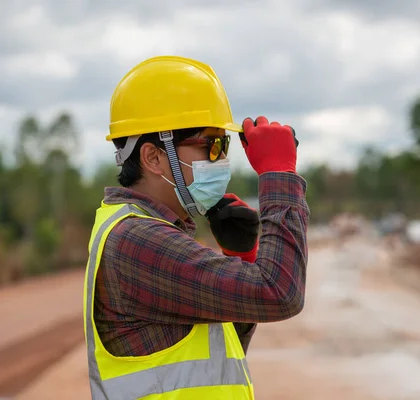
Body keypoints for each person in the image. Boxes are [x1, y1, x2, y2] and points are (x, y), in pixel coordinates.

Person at [82, 55, 310, 399]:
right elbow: (281, 293)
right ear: (153, 157)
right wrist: (278, 174)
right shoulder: (138, 241)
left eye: (224, 145)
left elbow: (211, 365)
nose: (222, 159)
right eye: (211, 146)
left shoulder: (152, 232)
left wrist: (241, 257)